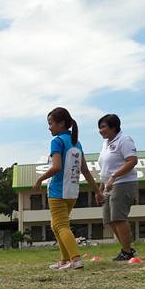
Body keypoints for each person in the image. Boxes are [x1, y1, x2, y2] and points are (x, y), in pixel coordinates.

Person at [33, 107, 100, 270]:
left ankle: (75, 259)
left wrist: (40, 179)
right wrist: (97, 190)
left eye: (51, 123)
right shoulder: (76, 142)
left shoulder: (57, 141)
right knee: (56, 225)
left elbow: (56, 167)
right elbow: (84, 169)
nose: (49, 127)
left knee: (61, 225)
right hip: (72, 192)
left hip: (57, 191)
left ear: (61, 123)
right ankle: (64, 260)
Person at [96, 114, 139, 261]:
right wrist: (100, 189)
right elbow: (106, 168)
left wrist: (114, 176)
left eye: (103, 127)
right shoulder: (106, 143)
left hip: (123, 183)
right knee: (108, 218)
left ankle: (127, 251)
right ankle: (127, 249)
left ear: (114, 127)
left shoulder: (124, 140)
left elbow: (132, 161)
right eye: (99, 127)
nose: (100, 130)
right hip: (109, 184)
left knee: (119, 217)